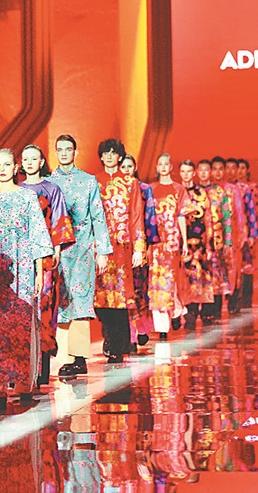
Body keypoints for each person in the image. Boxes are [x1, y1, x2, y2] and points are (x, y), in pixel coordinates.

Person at [0, 148, 53, 410]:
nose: (2, 169)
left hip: (23, 267)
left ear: (15, 168)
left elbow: (37, 235)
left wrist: (39, 272)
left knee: (22, 323)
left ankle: (24, 383)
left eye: (7, 164)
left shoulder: (27, 198)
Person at [47, 134, 113, 377]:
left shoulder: (88, 181)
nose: (64, 153)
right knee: (58, 300)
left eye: (68, 149)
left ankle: (78, 358)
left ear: (75, 152)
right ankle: (61, 357)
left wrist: (103, 251)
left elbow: (98, 216)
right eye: (60, 149)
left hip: (82, 248)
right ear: (56, 152)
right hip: (55, 251)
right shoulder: (48, 182)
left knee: (81, 299)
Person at [18, 144, 75, 385]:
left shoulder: (52, 189)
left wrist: (57, 249)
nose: (30, 163)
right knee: (21, 308)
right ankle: (22, 367)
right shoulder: (17, 189)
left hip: (45, 256)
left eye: (34, 159)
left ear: (41, 162)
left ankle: (42, 368)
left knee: (43, 306)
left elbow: (60, 220)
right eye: (26, 159)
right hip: (20, 257)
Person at [93, 139, 145, 363]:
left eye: (114, 153)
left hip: (123, 247)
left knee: (121, 297)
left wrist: (139, 248)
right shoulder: (94, 182)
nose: (109, 156)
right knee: (102, 297)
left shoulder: (130, 183)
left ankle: (119, 344)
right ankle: (110, 339)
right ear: (101, 156)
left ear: (120, 157)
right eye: (106, 153)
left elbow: (136, 215)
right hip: (99, 247)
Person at [149, 154, 189, 339]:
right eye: (160, 164)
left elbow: (181, 215)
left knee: (170, 279)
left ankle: (175, 310)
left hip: (172, 240)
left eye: (166, 164)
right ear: (157, 167)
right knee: (155, 281)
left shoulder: (179, 189)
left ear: (171, 167)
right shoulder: (150, 189)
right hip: (155, 240)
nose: (163, 167)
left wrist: (185, 240)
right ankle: (162, 326)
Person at [120, 154, 158, 344]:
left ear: (135, 168)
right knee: (123, 291)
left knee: (139, 288)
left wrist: (148, 245)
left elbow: (150, 217)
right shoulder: (115, 189)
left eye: (129, 166)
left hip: (138, 244)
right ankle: (129, 334)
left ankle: (141, 328)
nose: (126, 170)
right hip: (120, 247)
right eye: (123, 166)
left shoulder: (144, 188)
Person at [179, 160, 215, 330]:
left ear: (194, 173)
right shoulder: (176, 192)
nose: (186, 175)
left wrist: (209, 244)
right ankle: (184, 310)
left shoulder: (202, 195)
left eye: (189, 171)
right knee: (183, 277)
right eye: (183, 171)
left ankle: (198, 309)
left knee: (199, 276)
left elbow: (208, 220)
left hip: (198, 242)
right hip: (179, 242)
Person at [195, 159, 232, 323]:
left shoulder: (219, 192)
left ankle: (214, 309)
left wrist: (228, 241)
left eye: (206, 170)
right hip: (198, 242)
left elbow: (227, 218)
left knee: (216, 274)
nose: (204, 173)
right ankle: (199, 307)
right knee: (200, 274)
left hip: (217, 240)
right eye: (201, 170)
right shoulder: (194, 192)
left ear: (210, 172)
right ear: (197, 172)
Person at [211, 156, 245, 315]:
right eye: (215, 169)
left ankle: (233, 301)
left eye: (220, 169)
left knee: (232, 268)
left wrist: (242, 233)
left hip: (232, 234)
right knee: (216, 269)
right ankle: (215, 305)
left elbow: (239, 212)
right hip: (214, 235)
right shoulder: (208, 190)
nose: (218, 172)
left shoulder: (233, 190)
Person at [227, 158, 258, 308]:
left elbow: (251, 212)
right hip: (225, 233)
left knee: (243, 265)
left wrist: (252, 234)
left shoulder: (245, 189)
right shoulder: (220, 189)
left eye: (235, 168)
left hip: (241, 232)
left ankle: (241, 298)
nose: (232, 171)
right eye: (229, 168)